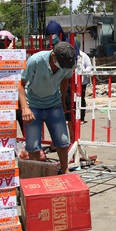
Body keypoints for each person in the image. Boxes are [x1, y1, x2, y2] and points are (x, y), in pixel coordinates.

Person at [19, 41, 77, 174]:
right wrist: (25, 108)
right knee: (33, 145)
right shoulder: (35, 61)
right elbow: (20, 84)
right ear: (53, 56)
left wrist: (62, 100)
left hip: (54, 103)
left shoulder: (67, 64)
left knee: (62, 141)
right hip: (33, 104)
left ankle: (65, 169)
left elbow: (65, 80)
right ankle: (36, 173)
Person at [77, 48, 92, 123]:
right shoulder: (69, 54)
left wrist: (84, 72)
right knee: (69, 99)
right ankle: (70, 118)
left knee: (81, 99)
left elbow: (89, 66)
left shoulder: (83, 55)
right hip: (71, 81)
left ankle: (81, 118)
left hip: (82, 81)